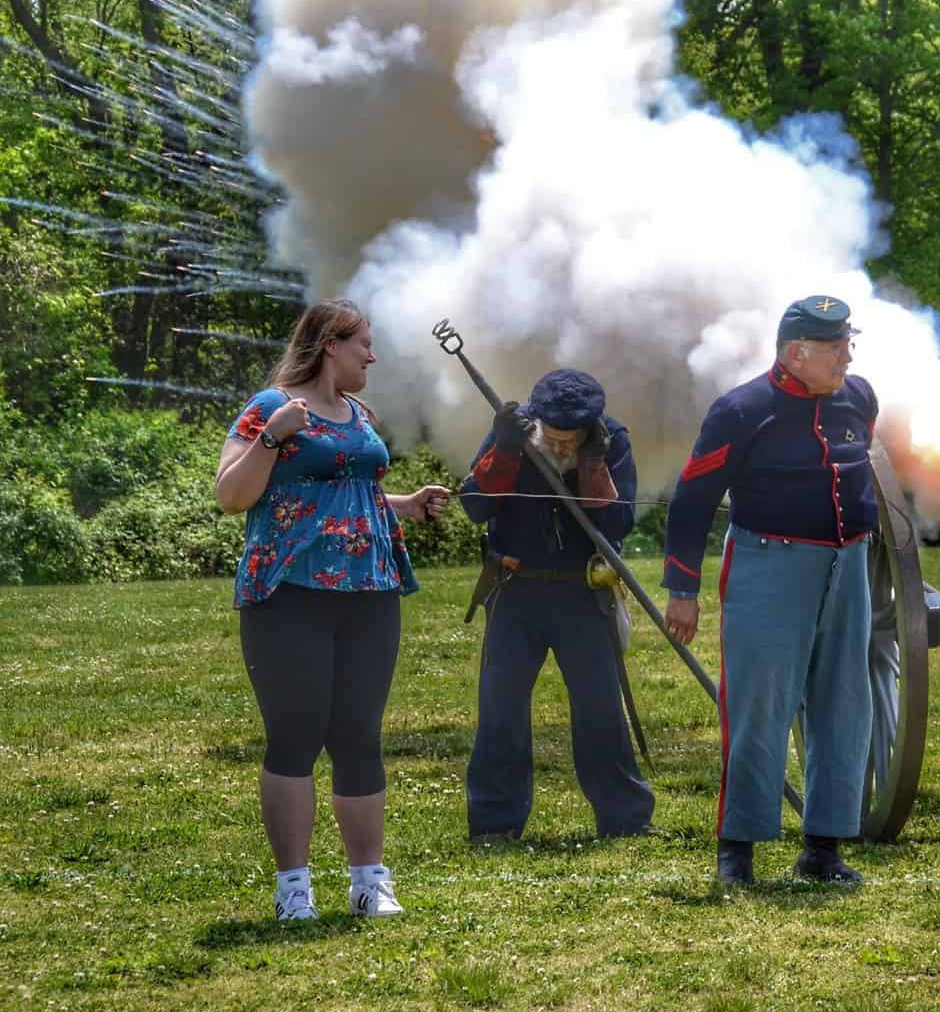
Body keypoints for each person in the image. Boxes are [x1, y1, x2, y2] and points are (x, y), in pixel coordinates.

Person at [215, 298, 451, 921]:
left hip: (371, 591)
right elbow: (231, 495)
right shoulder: (270, 409)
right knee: (295, 737)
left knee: (358, 737)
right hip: (288, 594)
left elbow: (353, 489)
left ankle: (369, 883)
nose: (372, 356)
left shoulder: (357, 414)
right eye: (363, 344)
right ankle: (294, 887)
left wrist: (405, 504)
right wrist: (273, 439)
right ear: (329, 345)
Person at [662, 294, 877, 886]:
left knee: (844, 704)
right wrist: (683, 586)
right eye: (836, 347)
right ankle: (739, 850)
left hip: (849, 566)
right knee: (760, 707)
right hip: (768, 564)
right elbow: (692, 500)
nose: (847, 356)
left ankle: (824, 848)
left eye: (847, 344)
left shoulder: (858, 399)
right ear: (794, 353)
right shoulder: (742, 410)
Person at [458, 369, 653, 840]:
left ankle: (624, 819)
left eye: (573, 440)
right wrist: (503, 451)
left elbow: (619, 524)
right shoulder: (512, 430)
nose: (562, 447)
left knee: (601, 709)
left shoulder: (612, 439)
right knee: (501, 710)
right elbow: (476, 506)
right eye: (556, 439)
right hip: (515, 588)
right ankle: (494, 823)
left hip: (583, 593)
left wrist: (593, 466)